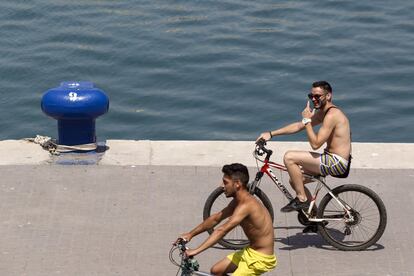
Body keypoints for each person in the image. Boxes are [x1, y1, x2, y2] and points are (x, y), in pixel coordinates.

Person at [256, 81, 351, 213]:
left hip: (336, 162)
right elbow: (298, 126)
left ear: (328, 96)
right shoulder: (324, 112)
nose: (313, 99)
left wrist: (307, 121)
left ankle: (301, 200)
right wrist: (271, 134)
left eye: (317, 96)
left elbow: (315, 144)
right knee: (295, 180)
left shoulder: (332, 115)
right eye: (311, 96)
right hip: (329, 159)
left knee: (289, 157)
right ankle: (315, 220)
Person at [176, 163, 276, 275]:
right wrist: (190, 234)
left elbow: (221, 230)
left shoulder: (246, 205)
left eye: (225, 182)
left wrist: (196, 250)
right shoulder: (237, 202)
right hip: (251, 251)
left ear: (237, 184)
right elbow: (216, 218)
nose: (222, 186)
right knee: (216, 271)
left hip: (261, 258)